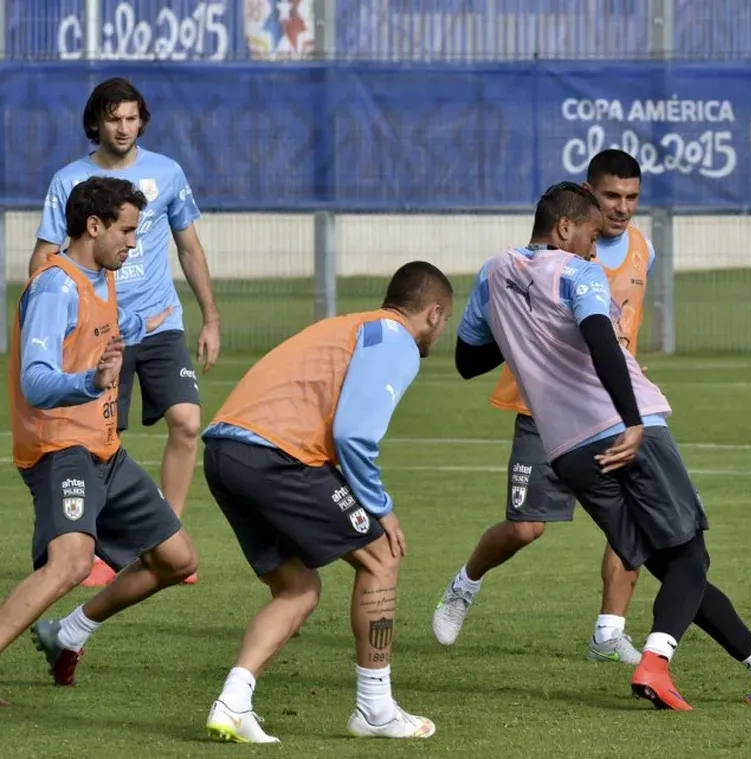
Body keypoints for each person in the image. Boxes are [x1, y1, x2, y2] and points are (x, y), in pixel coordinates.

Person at [451, 182, 751, 710]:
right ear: (565, 228)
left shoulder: (493, 273)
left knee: (671, 564)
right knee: (691, 556)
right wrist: (632, 420)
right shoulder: (578, 272)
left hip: (567, 450)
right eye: (592, 234)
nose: (596, 248)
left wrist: (524, 336)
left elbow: (467, 360)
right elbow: (599, 341)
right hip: (623, 430)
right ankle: (656, 664)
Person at [200, 262, 453, 743]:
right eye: (443, 323)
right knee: (382, 555)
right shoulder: (397, 340)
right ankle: (376, 708)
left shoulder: (350, 326)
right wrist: (380, 505)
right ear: (435, 314)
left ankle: (232, 704)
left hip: (223, 453)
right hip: (274, 454)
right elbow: (353, 433)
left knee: (297, 588)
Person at [433, 150, 655, 664]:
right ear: (583, 199)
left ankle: (608, 631)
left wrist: (631, 404)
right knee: (525, 527)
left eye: (631, 198)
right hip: (542, 410)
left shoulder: (643, 248)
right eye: (610, 198)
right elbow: (481, 348)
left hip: (607, 408)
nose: (621, 209)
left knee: (637, 520)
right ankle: (464, 585)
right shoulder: (538, 262)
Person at [2, 176, 199, 696]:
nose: (134, 243)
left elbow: (107, 327)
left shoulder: (101, 278)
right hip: (60, 449)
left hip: (105, 452)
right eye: (127, 231)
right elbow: (35, 381)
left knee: (178, 560)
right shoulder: (54, 286)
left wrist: (143, 322)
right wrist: (90, 381)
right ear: (94, 226)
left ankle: (69, 633)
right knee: (71, 562)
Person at [31, 77, 219, 587]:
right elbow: (45, 256)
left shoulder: (168, 173)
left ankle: (165, 538)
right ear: (96, 122)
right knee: (96, 442)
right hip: (97, 331)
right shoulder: (68, 180)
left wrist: (211, 317)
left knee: (186, 421)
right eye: (114, 118)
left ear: (143, 121)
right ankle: (84, 543)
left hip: (158, 322)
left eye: (132, 118)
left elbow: (189, 248)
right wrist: (43, 316)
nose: (123, 127)